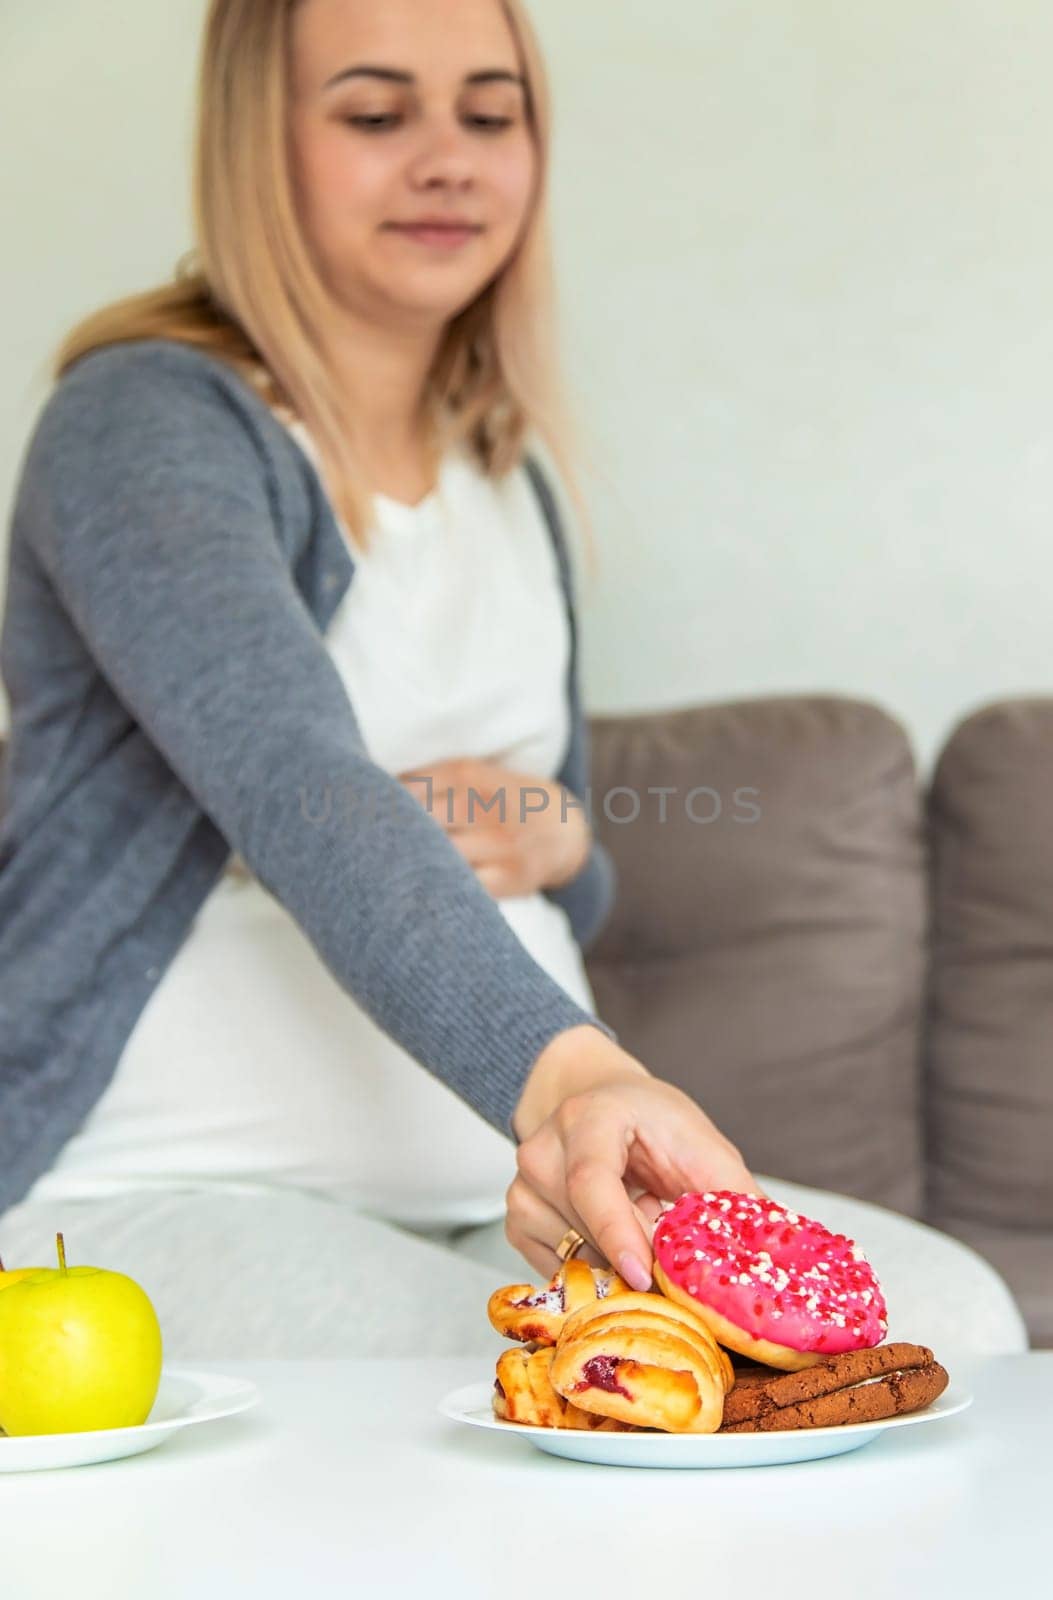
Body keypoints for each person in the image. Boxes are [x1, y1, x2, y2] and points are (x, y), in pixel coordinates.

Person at [0, 0, 768, 1353]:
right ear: (259, 143)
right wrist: (573, 1082)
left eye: (489, 113)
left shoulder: (506, 471)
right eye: (373, 114)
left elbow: (563, 858)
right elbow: (299, 784)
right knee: (487, 1383)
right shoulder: (144, 423)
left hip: (498, 1205)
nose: (448, 161)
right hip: (153, 1196)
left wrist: (564, 834)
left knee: (952, 1308)